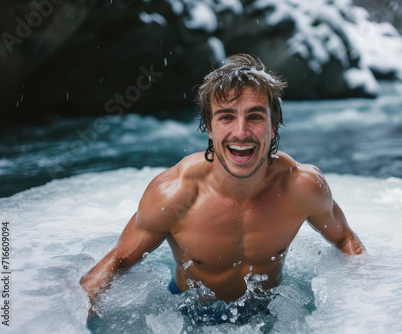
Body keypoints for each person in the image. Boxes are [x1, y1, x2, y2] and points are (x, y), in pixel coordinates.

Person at [80, 54, 366, 312]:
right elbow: (118, 261)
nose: (241, 133)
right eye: (226, 117)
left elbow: (345, 238)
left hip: (268, 310)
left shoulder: (302, 187)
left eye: (255, 116)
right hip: (188, 311)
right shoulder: (175, 194)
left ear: (274, 124)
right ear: (208, 127)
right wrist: (71, 319)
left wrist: (368, 305)